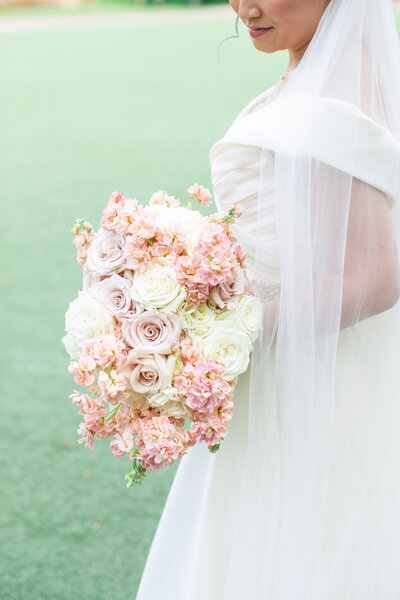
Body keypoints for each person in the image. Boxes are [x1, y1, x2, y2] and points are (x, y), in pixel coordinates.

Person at [135, 0, 400, 598]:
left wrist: (211, 338)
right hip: (287, 369)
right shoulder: (316, 69)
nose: (243, 6)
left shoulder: (335, 94)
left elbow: (372, 277)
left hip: (306, 383)